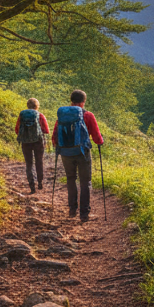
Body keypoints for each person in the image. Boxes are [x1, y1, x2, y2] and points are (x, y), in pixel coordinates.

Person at [53, 89, 104, 221]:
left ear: (71, 101)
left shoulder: (63, 115)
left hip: (66, 152)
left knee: (71, 179)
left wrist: (59, 147)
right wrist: (100, 142)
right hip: (82, 153)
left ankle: (72, 209)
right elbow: (97, 136)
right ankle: (84, 213)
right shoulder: (88, 115)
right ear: (83, 102)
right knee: (85, 181)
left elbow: (55, 135)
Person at [16, 98, 50, 193]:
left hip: (25, 142)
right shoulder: (40, 115)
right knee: (39, 161)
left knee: (29, 163)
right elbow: (46, 130)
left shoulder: (22, 115)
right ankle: (40, 182)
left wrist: (26, 135)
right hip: (38, 142)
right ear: (37, 106)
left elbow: (17, 129)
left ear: (28, 106)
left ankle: (32, 185)